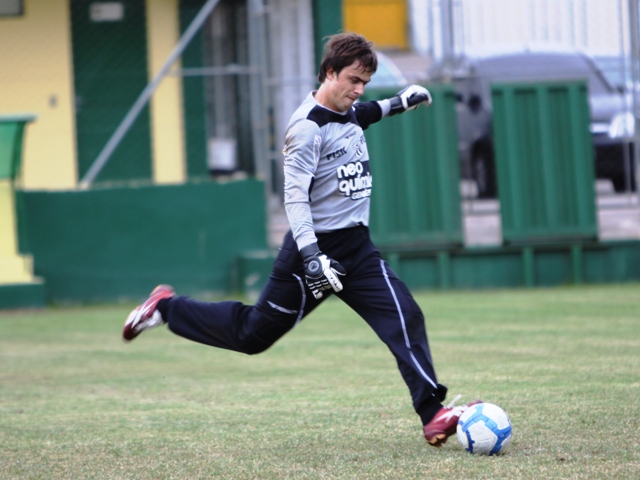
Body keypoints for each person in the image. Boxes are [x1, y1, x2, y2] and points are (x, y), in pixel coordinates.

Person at [123, 32, 478, 448]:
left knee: (405, 316)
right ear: (329, 73)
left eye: (364, 81)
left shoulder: (346, 108)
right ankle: (166, 309)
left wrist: (400, 102)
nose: (358, 89)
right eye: (352, 80)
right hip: (313, 254)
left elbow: (363, 113)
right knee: (253, 336)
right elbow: (294, 198)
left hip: (357, 250)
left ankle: (433, 414)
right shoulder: (305, 128)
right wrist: (311, 257)